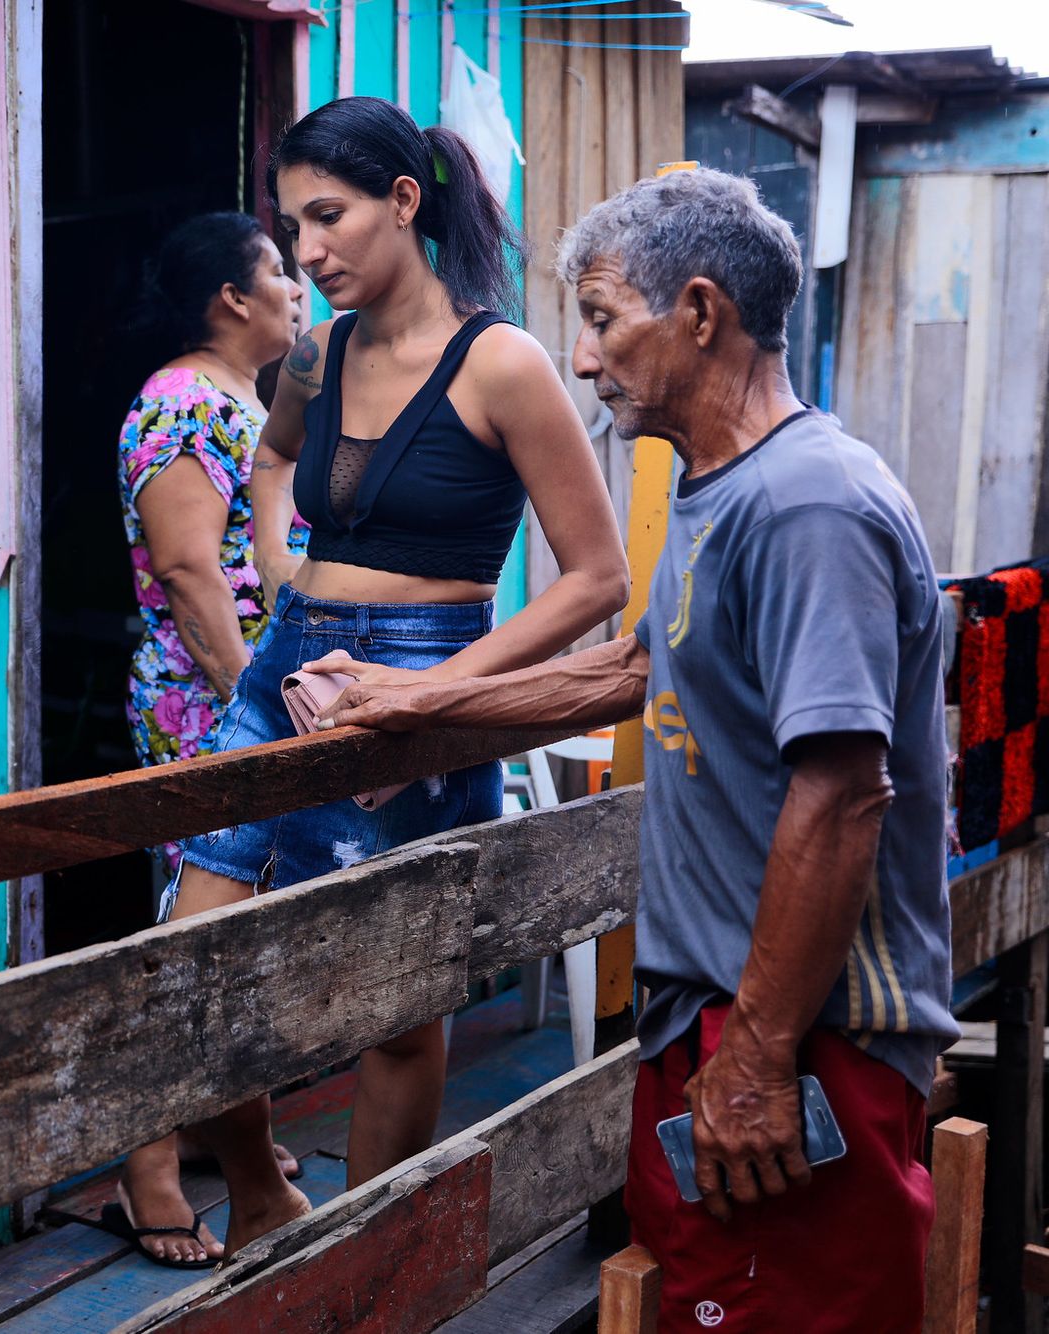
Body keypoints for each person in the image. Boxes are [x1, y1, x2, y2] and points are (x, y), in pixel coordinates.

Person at [312, 168, 956, 1331]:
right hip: (715, 1015)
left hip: (799, 1030)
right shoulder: (720, 488)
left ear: (699, 314)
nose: (584, 356)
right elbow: (631, 671)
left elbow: (843, 790)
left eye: (604, 317)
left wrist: (756, 1055)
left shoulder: (806, 504)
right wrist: (415, 703)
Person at [160, 95, 630, 1257]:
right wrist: (276, 570)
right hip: (287, 666)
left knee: (397, 997)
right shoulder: (317, 351)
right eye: (292, 227)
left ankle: (362, 1265)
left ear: (404, 202)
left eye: (328, 218)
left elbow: (594, 577)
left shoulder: (502, 363)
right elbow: (270, 458)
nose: (306, 252)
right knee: (190, 956)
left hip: (432, 677)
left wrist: (442, 689)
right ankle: (265, 1194)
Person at [113, 211, 309, 1266]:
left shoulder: (245, 400)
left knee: (238, 940)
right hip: (206, 706)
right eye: (278, 269)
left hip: (246, 703)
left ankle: (237, 1146)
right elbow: (191, 573)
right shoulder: (180, 401)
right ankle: (143, 1168)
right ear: (229, 298)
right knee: (191, 938)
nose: (297, 284)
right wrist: (252, 707)